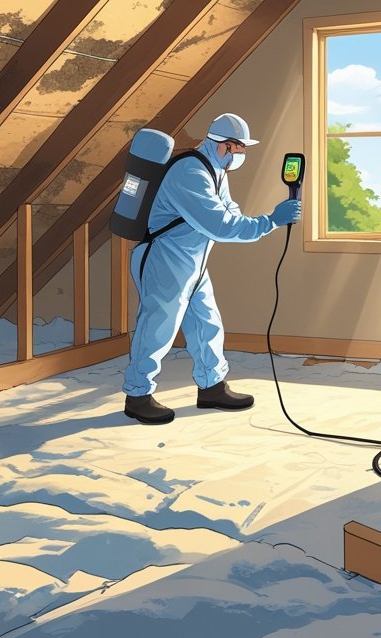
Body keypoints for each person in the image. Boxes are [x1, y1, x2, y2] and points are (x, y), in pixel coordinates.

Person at [122, 113, 302, 425]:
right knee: (157, 328)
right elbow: (220, 225)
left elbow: (231, 213)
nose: (241, 154)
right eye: (240, 147)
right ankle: (137, 395)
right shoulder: (190, 172)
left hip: (193, 262)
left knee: (207, 324)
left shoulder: (216, 171)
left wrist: (264, 222)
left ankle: (212, 387)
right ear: (225, 145)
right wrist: (271, 221)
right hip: (165, 260)